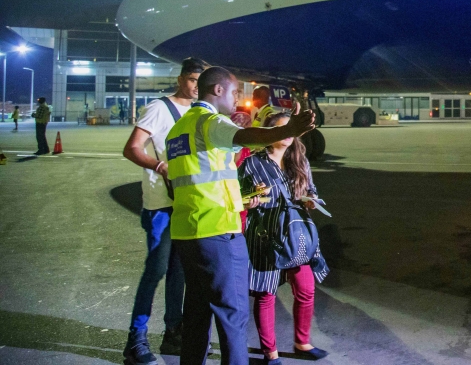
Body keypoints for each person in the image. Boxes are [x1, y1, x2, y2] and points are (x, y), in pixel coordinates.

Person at [165, 66, 316, 365]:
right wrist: (289, 130)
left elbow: (192, 181)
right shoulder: (209, 122)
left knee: (196, 315)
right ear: (218, 91)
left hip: (187, 233)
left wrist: (241, 198)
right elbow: (247, 135)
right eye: (234, 92)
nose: (238, 99)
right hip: (219, 232)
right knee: (233, 316)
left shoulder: (178, 130)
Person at [120, 58, 207, 364]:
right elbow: (131, 148)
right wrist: (159, 165)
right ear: (181, 78)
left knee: (179, 272)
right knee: (156, 269)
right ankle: (136, 338)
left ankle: (173, 333)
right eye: (193, 79)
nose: (197, 86)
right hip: (160, 205)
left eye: (201, 81)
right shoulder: (160, 108)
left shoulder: (200, 111)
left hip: (185, 203)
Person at [240, 112, 330, 364]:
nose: (288, 133)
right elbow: (240, 198)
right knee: (265, 294)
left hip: (296, 235)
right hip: (266, 234)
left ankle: (302, 342)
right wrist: (252, 200)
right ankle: (271, 353)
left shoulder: (299, 160)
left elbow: (312, 190)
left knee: (306, 288)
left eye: (291, 129)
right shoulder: (252, 163)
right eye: (282, 128)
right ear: (269, 133)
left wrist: (311, 201)